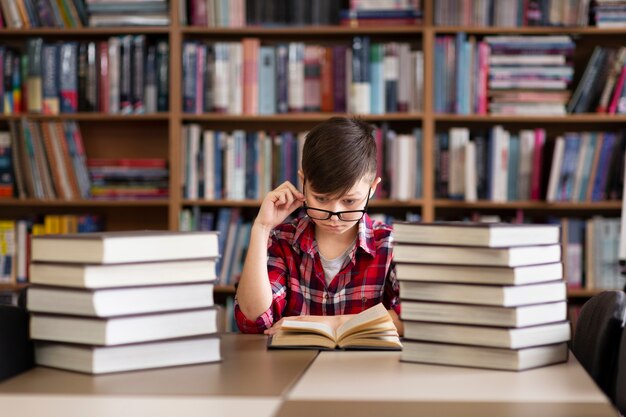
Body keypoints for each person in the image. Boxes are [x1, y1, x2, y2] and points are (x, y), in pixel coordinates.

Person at [234, 117, 402, 336]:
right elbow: (253, 321)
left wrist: (333, 324)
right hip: (292, 368)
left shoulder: (391, 244)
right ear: (303, 183)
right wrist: (262, 228)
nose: (334, 215)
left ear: (372, 190)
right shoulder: (283, 240)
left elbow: (414, 318)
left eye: (349, 201)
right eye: (321, 199)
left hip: (367, 369)